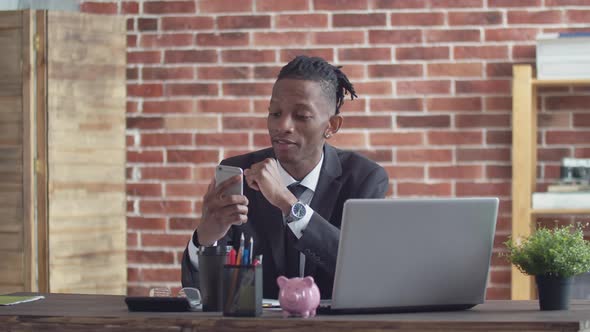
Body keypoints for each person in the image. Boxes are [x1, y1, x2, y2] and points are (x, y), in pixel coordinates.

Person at [181, 55, 389, 299]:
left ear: (332, 126)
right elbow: (203, 293)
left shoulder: (364, 178)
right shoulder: (239, 174)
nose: (283, 126)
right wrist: (206, 239)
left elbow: (362, 268)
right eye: (275, 113)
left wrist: (287, 203)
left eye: (301, 116)